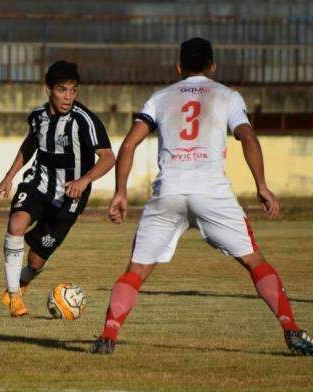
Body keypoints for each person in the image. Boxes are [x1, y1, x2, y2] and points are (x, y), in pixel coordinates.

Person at [89, 38, 312, 355]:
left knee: (136, 270)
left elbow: (127, 146)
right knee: (254, 261)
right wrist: (261, 184)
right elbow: (246, 136)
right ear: (213, 66)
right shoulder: (226, 95)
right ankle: (292, 330)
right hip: (211, 191)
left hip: (169, 190)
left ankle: (108, 336)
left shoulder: (160, 97)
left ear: (179, 67)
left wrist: (120, 193)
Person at [0, 60, 115, 317]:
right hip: (39, 182)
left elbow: (108, 157)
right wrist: (9, 176)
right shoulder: (37, 117)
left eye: (73, 90)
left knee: (37, 258)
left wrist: (83, 181)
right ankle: (14, 297)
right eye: (62, 90)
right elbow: (30, 144)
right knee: (15, 225)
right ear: (48, 89)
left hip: (69, 197)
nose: (68, 97)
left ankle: (24, 280)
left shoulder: (84, 120)